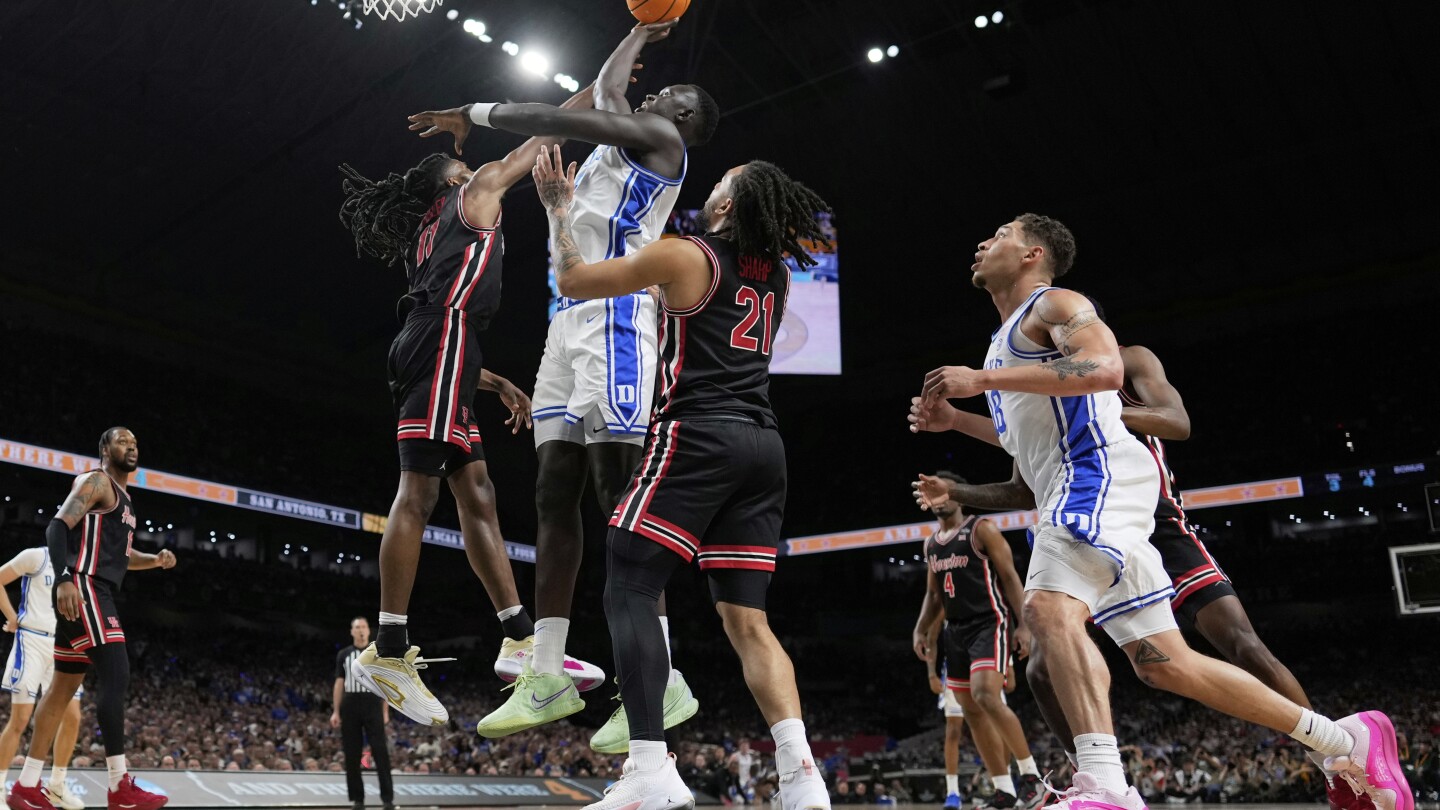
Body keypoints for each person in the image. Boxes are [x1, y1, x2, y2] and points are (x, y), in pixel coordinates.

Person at [907, 215, 1408, 810]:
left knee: (1045, 610)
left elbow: (1105, 370)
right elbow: (1029, 451)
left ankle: (1105, 787)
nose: (984, 241)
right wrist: (958, 421)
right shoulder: (1002, 345)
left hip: (1095, 476)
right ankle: (1343, 739)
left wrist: (980, 378)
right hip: (1084, 486)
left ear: (1032, 254)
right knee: (1165, 664)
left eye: (1001, 233)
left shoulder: (1055, 303)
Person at [406, 21, 720, 745]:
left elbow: (563, 114)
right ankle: (546, 672)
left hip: (616, 324)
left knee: (617, 495)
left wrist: (475, 115)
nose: (649, 89)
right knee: (552, 495)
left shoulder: (664, 146)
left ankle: (664, 680)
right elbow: (609, 90)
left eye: (665, 91)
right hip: (568, 322)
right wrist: (640, 28)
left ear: (680, 118)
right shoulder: (624, 140)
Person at [528, 148, 831, 810]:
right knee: (749, 620)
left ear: (724, 207)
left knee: (630, 580)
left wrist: (559, 211)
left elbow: (574, 282)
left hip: (700, 433)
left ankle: (650, 768)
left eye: (717, 186)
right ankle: (802, 777)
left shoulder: (688, 254)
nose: (708, 192)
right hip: (764, 447)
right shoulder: (777, 277)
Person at [338, 85, 602, 726]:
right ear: (454, 179)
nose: (482, 167)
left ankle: (520, 636)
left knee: (477, 491)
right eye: (470, 165)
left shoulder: (433, 233)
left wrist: (495, 381)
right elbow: (543, 135)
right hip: (443, 344)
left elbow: (443, 323)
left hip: (448, 349)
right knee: (418, 495)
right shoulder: (474, 191)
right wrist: (598, 89)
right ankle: (389, 652)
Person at [7, 427, 176, 810]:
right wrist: (64, 578)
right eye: (122, 441)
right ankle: (119, 787)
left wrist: (155, 560)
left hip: (89, 589)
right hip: (84, 588)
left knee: (62, 689)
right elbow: (57, 526)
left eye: (135, 442)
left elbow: (121, 556)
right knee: (117, 674)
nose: (131, 445)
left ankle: (27, 786)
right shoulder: (96, 481)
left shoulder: (127, 502)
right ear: (104, 449)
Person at [912, 471, 1041, 809]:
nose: (938, 498)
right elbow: (933, 595)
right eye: (932, 494)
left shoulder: (981, 529)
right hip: (955, 631)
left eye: (942, 492)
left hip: (989, 622)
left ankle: (1031, 776)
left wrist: (1023, 625)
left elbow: (1011, 578)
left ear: (957, 495)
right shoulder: (931, 544)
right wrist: (921, 628)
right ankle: (1004, 791)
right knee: (972, 713)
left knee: (986, 694)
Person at [0, 548, 85, 810]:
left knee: (73, 717)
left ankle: (56, 786)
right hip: (32, 641)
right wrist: (12, 617)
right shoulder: (36, 556)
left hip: (65, 644)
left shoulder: (82, 566)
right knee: (21, 719)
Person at [331, 617, 394, 810]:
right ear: (352, 631)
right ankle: (358, 799)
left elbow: (385, 685)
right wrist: (335, 711)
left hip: (373, 702)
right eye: (357, 627)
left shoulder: (377, 654)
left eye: (363, 627)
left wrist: (385, 711)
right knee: (352, 752)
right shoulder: (344, 654)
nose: (360, 630)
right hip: (350, 703)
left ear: (368, 631)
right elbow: (339, 683)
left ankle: (387, 799)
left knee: (380, 750)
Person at [927, 651, 967, 809]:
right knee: (953, 731)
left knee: (993, 726)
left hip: (987, 657)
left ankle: (1004, 787)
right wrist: (931, 673)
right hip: (954, 663)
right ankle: (952, 792)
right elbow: (932, 631)